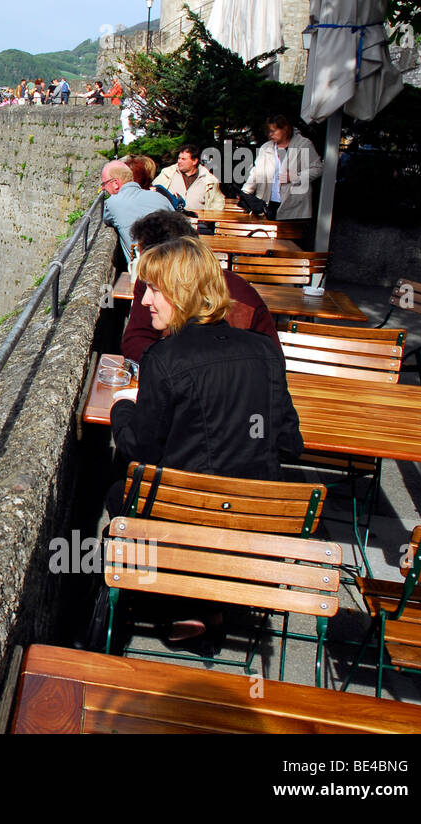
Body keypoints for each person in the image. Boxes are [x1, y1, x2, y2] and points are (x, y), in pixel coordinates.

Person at [101, 236, 303, 641]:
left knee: (117, 492)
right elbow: (289, 441)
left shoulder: (165, 358)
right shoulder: (264, 351)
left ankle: (176, 597)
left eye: (154, 291)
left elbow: (139, 447)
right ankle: (208, 602)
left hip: (184, 514)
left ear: (181, 292)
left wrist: (122, 406)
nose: (144, 303)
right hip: (257, 514)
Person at [121, 211, 280, 363]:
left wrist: (172, 369)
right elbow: (135, 340)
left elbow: (270, 360)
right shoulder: (149, 288)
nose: (145, 301)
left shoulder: (243, 299)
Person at [241, 114, 323, 220]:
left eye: (273, 131)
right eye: (268, 132)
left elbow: (318, 169)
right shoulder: (266, 147)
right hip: (268, 203)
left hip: (295, 207)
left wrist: (295, 177)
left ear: (285, 129)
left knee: (288, 235)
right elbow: (256, 173)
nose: (270, 135)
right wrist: (245, 192)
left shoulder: (304, 145)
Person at [101, 161, 174, 268]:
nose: (103, 188)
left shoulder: (113, 202)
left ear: (115, 183)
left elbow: (107, 219)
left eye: (104, 184)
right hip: (176, 261)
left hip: (147, 270)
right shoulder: (160, 197)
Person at [151, 144, 224, 213]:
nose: (179, 161)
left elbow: (217, 203)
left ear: (194, 161)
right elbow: (153, 192)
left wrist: (208, 221)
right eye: (179, 158)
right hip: (171, 221)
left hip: (199, 222)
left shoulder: (209, 180)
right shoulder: (167, 174)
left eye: (183, 159)